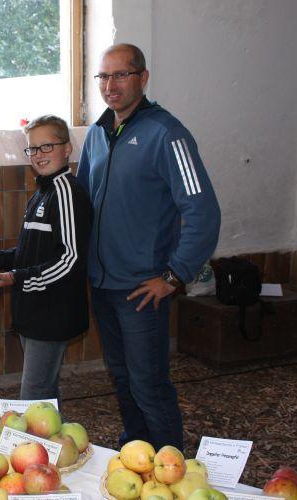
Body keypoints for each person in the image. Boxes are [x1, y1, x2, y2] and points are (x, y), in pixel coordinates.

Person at [76, 44, 221, 450]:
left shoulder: (167, 134)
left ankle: (170, 467)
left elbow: (204, 213)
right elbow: (84, 205)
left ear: (143, 77)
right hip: (103, 286)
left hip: (142, 290)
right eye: (103, 77)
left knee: (149, 384)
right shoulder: (98, 134)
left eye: (121, 75)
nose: (111, 85)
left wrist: (174, 276)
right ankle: (136, 453)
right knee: (122, 379)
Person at [0, 115, 92, 403]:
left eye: (47, 146)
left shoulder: (65, 192)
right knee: (44, 395)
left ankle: (43, 447)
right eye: (33, 149)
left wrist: (15, 277)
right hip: (34, 310)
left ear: (67, 148)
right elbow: (31, 252)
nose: (39, 155)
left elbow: (70, 259)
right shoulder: (42, 192)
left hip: (53, 313)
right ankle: (57, 447)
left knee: (33, 397)